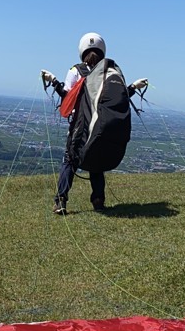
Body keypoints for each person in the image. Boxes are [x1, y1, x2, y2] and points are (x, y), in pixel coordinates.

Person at [42, 32, 147, 215]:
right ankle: (98, 201)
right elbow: (117, 99)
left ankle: (61, 201)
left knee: (70, 161)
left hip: (79, 125)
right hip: (101, 125)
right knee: (96, 161)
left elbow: (67, 98)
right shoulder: (108, 72)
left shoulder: (76, 71)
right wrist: (132, 88)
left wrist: (53, 82)